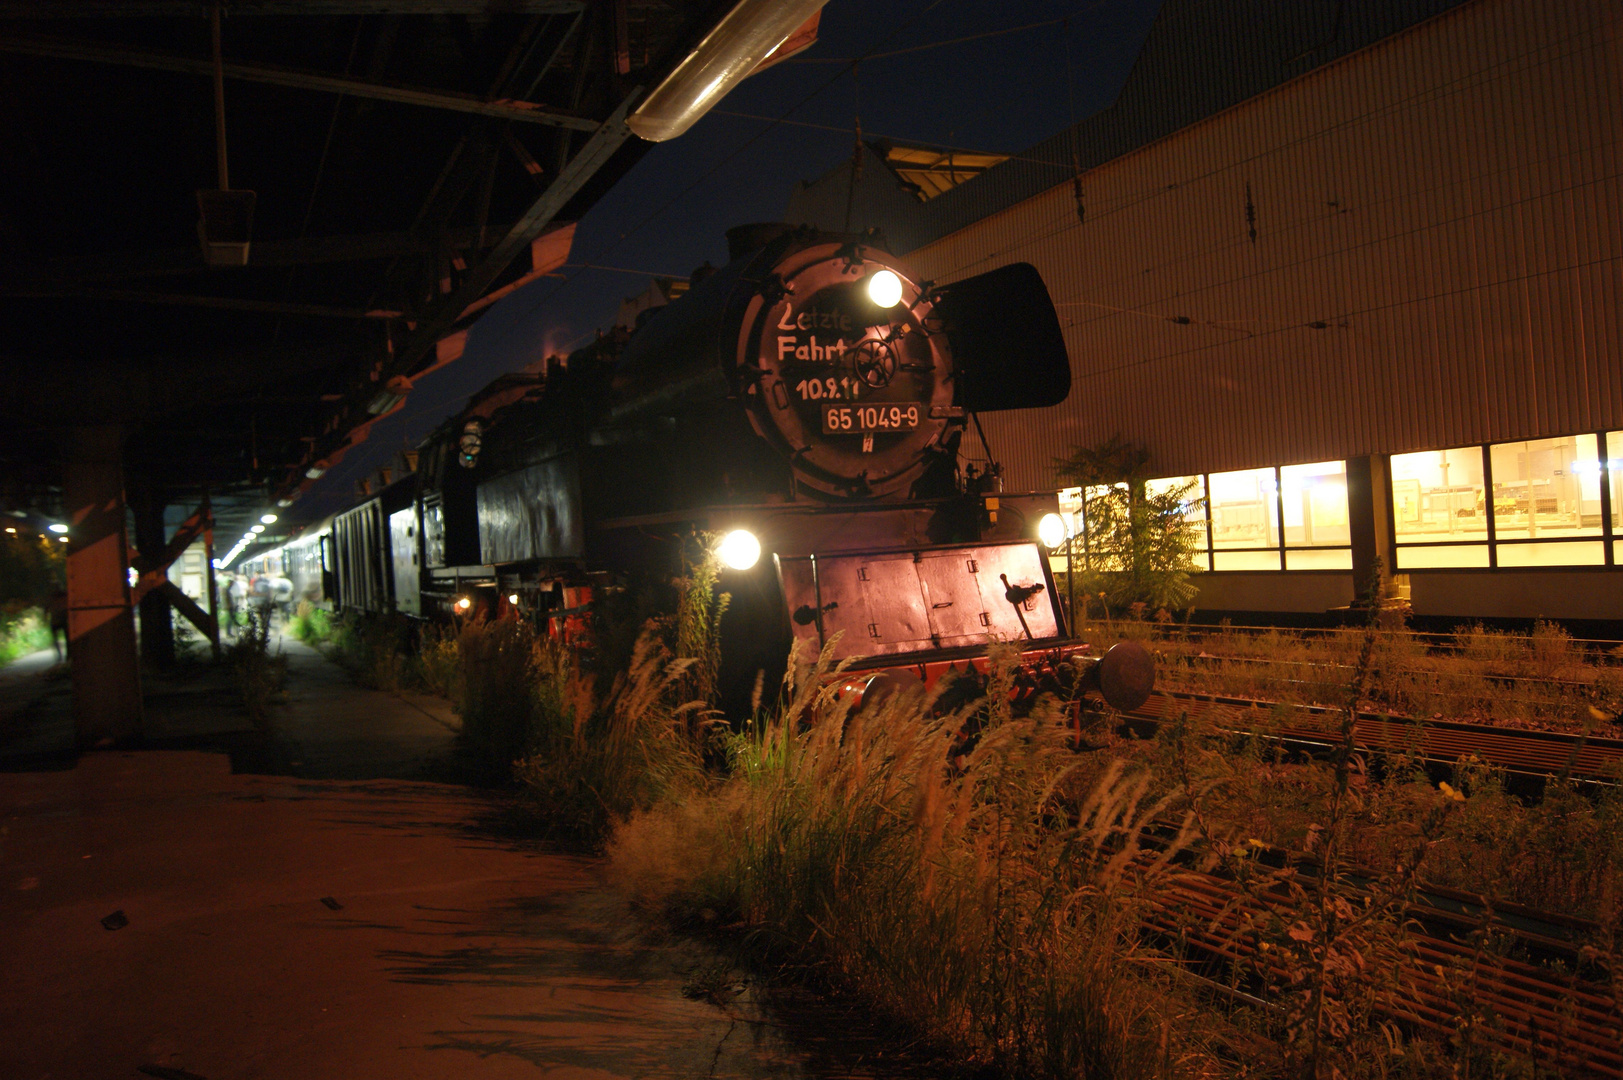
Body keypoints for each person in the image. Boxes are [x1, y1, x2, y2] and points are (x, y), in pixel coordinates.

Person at [46, 587, 68, 662]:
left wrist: (45, 619)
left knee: (56, 639)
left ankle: (60, 655)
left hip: (55, 621)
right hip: (63, 621)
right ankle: (67, 654)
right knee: (67, 638)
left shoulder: (51, 599)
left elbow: (46, 610)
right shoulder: (64, 597)